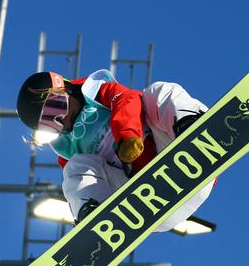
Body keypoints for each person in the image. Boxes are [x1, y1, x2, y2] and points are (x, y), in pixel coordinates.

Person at [16, 69, 215, 232]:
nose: (61, 121)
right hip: (145, 201)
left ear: (65, 89)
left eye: (54, 110)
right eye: (50, 124)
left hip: (174, 156)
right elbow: (76, 184)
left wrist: (127, 136)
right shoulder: (68, 148)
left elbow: (127, 100)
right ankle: (95, 218)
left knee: (158, 91)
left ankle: (192, 127)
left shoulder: (96, 92)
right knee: (73, 169)